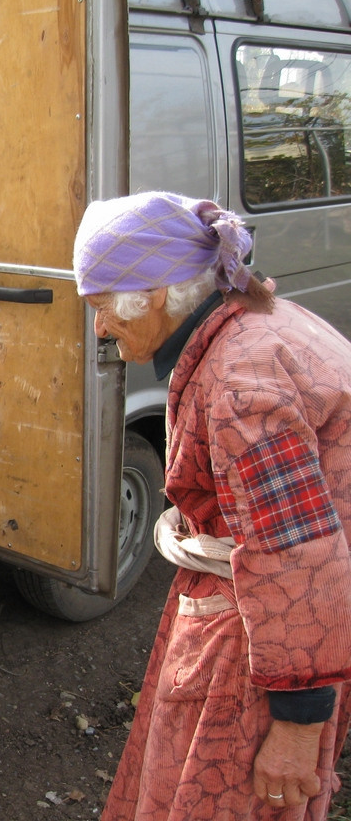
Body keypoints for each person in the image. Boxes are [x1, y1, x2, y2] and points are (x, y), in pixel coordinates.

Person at [72, 191, 351, 820]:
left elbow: (296, 551)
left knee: (227, 798)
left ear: (158, 293)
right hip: (282, 620)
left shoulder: (240, 384)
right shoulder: (259, 321)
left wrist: (299, 724)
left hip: (269, 645)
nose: (99, 328)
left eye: (101, 306)